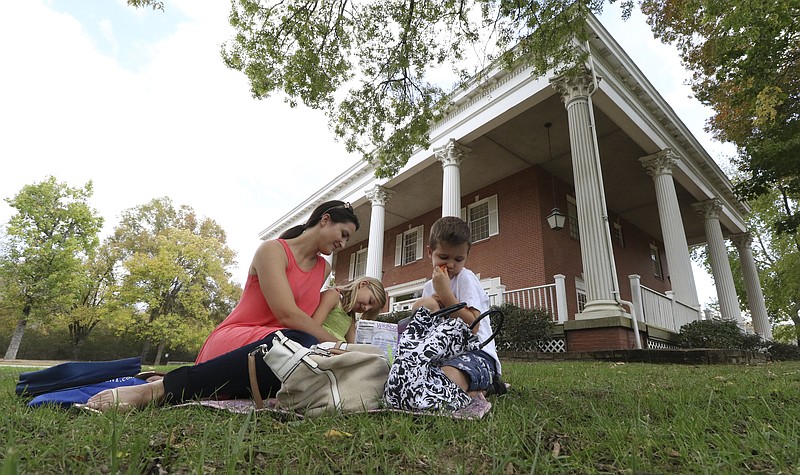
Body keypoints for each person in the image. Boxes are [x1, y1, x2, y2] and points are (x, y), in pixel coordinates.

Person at [81, 200, 376, 413]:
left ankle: (204, 382)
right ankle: (158, 389)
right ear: (325, 220)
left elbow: (307, 320)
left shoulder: (323, 269)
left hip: (281, 347)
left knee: (309, 357)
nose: (343, 242)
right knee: (302, 342)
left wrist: (333, 351)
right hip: (240, 338)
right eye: (343, 234)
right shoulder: (273, 251)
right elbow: (288, 314)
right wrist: (338, 345)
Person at [411, 216, 505, 397]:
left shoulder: (465, 278)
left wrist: (446, 295)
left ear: (467, 256)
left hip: (478, 354)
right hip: (445, 355)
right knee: (421, 378)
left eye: (459, 258)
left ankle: (488, 387)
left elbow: (474, 325)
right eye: (443, 257)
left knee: (447, 377)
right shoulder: (428, 288)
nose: (451, 264)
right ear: (430, 252)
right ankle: (471, 391)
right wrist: (427, 303)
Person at [313, 276, 387, 343]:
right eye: (370, 301)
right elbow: (313, 327)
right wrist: (340, 345)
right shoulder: (333, 295)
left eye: (369, 310)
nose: (366, 308)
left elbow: (352, 343)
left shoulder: (350, 315)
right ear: (363, 284)